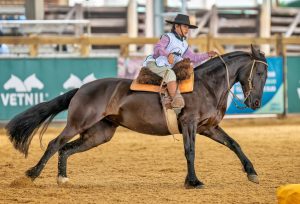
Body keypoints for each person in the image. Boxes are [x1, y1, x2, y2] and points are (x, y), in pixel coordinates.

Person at [143, 14, 217, 109]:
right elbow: (158, 48)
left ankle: (169, 99)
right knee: (170, 74)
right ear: (176, 26)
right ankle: (176, 100)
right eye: (185, 26)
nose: (187, 29)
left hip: (167, 67)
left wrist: (207, 54)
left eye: (188, 27)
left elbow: (193, 58)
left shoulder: (184, 44)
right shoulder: (167, 37)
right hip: (155, 63)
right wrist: (168, 55)